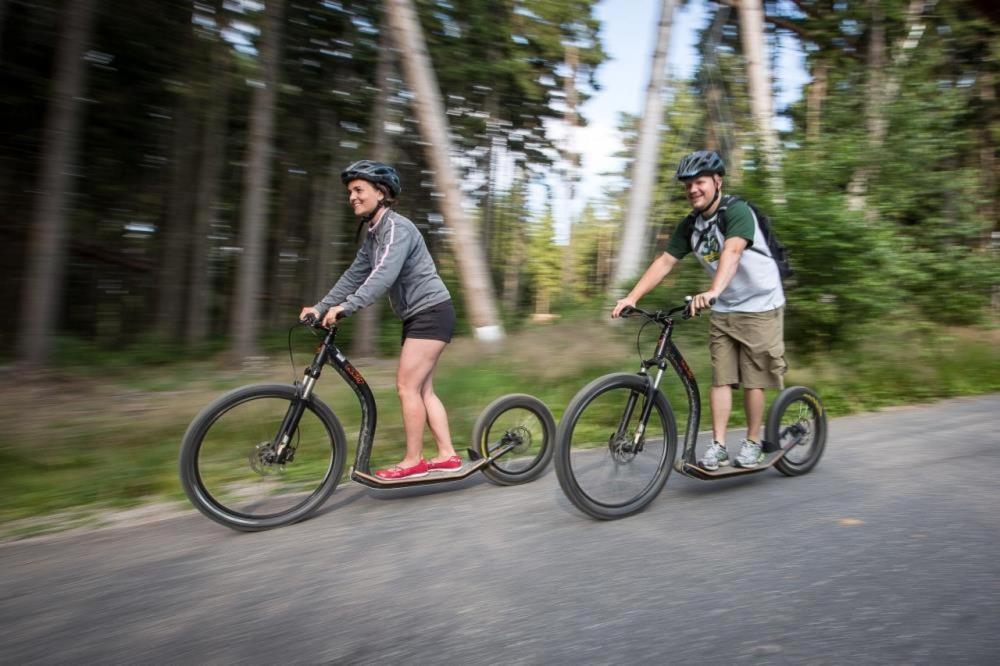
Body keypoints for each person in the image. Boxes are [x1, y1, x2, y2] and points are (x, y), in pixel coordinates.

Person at [611, 150, 787, 470]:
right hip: (725, 307)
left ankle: (752, 443)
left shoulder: (738, 212)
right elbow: (665, 262)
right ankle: (718, 446)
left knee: (752, 379)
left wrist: (713, 291)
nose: (693, 189)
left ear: (717, 181)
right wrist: (631, 297)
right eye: (688, 184)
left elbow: (732, 251)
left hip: (761, 303)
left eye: (700, 182)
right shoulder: (690, 225)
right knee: (720, 378)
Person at [299, 160, 461, 480]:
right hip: (420, 315)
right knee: (422, 389)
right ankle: (448, 455)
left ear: (381, 192)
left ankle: (413, 460)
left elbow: (383, 275)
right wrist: (320, 307)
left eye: (359, 190)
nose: (353, 197)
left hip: (431, 311)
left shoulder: (397, 228)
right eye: (350, 192)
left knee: (406, 386)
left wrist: (347, 308)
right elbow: (353, 276)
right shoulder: (374, 236)